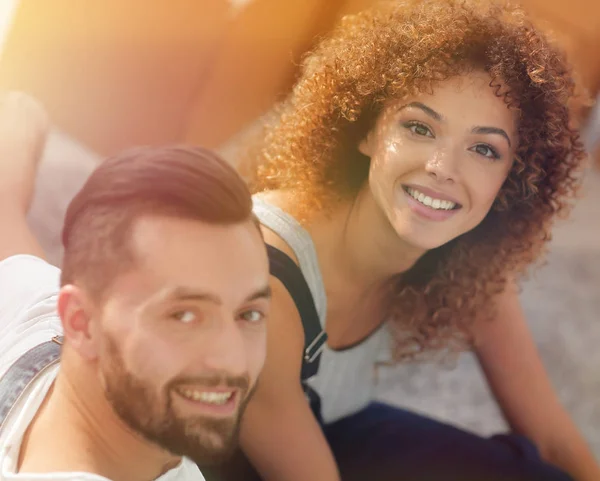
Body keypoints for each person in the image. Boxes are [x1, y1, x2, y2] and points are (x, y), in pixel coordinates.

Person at [207, 1, 600, 480]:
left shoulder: (467, 265)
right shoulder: (265, 274)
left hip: (333, 430)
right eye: (419, 127)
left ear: (511, 178)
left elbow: (553, 443)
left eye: (483, 149)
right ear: (367, 130)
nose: (442, 168)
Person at [0, 92, 271, 481]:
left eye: (249, 314)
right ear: (81, 323)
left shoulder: (37, 323)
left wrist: (21, 109)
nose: (232, 360)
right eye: (185, 315)